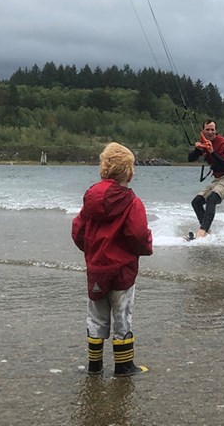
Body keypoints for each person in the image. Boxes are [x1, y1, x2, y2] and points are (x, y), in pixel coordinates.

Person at [71, 142, 153, 376]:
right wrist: (146, 246)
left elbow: (78, 229)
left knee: (96, 315)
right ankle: (124, 366)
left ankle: (94, 366)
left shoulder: (90, 198)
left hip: (96, 267)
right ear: (129, 172)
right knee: (122, 315)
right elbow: (137, 233)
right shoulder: (132, 202)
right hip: (122, 270)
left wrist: (90, 251)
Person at [186, 118, 224, 239]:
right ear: (203, 131)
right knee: (196, 202)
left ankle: (202, 231)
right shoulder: (203, 142)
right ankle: (208, 232)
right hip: (218, 179)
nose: (210, 132)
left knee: (212, 198)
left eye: (212, 130)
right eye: (207, 130)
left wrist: (212, 151)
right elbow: (190, 159)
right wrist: (197, 150)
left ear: (216, 131)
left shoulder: (223, 143)